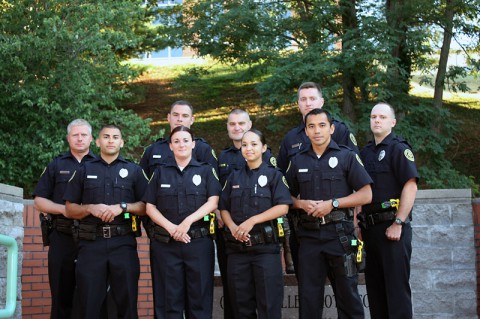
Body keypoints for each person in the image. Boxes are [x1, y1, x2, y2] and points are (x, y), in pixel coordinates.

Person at [286, 108, 372, 319]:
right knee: (308, 301)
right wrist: (300, 204)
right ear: (305, 131)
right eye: (311, 126)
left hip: (339, 237)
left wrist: (333, 203)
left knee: (348, 299)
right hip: (308, 237)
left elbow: (366, 194)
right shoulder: (297, 160)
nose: (317, 131)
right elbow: (283, 197)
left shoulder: (346, 156)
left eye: (322, 125)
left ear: (332, 128)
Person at [64, 124, 148, 319]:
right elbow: (69, 208)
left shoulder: (134, 170)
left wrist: (123, 207)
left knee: (127, 303)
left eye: (115, 137)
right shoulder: (84, 169)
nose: (111, 140)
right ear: (98, 141)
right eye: (106, 136)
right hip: (91, 244)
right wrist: (89, 208)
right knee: (89, 304)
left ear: (122, 142)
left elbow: (146, 206)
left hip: (123, 244)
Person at [277, 81, 360, 276]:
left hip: (340, 225)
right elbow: (281, 181)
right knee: (308, 288)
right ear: (298, 104)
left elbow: (358, 178)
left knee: (345, 287)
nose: (308, 103)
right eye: (303, 99)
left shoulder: (340, 130)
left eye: (312, 98)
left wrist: (356, 216)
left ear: (321, 101)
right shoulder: (290, 138)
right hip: (303, 226)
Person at [143, 125, 221, 319]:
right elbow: (149, 207)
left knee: (200, 301)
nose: (181, 144)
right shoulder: (160, 172)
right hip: (166, 246)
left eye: (186, 140)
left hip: (198, 244)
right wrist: (171, 228)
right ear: (170, 146)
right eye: (176, 141)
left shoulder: (206, 171)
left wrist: (187, 221)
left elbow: (213, 201)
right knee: (168, 302)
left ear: (193, 144)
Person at [217, 109, 286, 316]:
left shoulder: (274, 175)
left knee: (269, 307)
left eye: (254, 144)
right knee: (241, 309)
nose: (249, 148)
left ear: (264, 148)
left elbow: (283, 206)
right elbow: (223, 207)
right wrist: (233, 227)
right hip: (237, 251)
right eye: (245, 145)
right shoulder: (234, 177)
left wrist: (252, 220)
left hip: (265, 250)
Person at [359, 102, 419, 319]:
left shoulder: (399, 149)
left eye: (382, 117)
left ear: (392, 122)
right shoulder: (365, 152)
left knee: (396, 291)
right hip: (370, 230)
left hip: (393, 228)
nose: (376, 120)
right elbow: (361, 189)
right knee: (375, 291)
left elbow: (410, 185)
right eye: (373, 116)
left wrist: (399, 222)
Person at [33, 119, 96, 319]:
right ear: (68, 138)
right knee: (61, 296)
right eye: (75, 135)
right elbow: (39, 201)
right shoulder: (56, 164)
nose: (79, 139)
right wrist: (65, 210)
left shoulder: (100, 166)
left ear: (91, 139)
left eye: (83, 135)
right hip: (62, 237)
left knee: (91, 297)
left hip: (91, 239)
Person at [139, 100, 218, 178]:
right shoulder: (153, 150)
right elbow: (142, 186)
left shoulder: (203, 150)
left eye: (185, 116)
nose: (179, 119)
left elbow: (213, 185)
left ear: (192, 120)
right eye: (175, 115)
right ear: (168, 117)